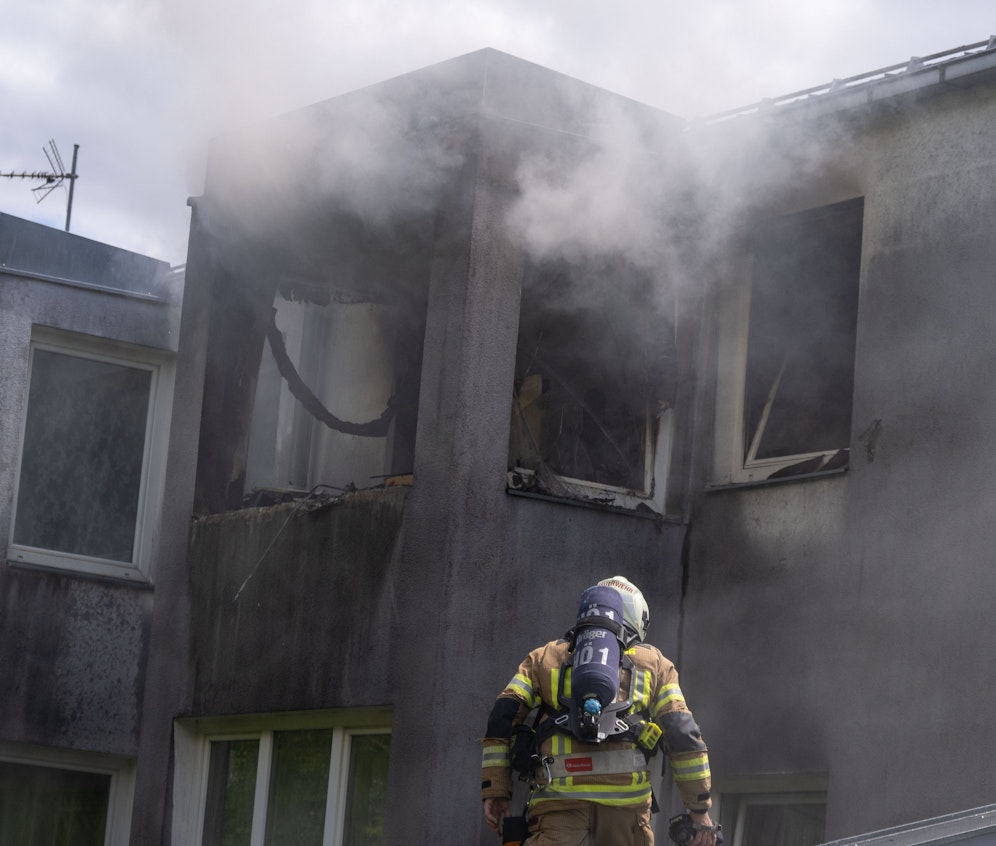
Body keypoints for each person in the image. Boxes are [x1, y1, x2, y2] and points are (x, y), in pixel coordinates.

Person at [480, 576, 719, 846]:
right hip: (626, 816)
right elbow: (683, 733)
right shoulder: (655, 664)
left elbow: (502, 718)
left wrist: (496, 790)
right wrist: (699, 808)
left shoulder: (544, 658)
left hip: (557, 811)